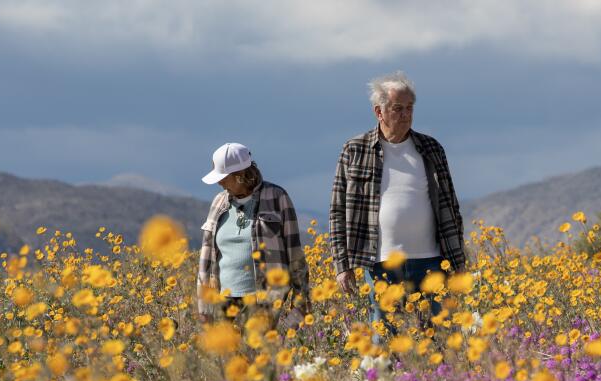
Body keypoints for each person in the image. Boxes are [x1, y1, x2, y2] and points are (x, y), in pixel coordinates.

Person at [329, 71, 466, 332]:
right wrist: (342, 266)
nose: (405, 114)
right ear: (379, 112)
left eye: (409, 108)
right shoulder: (354, 150)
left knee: (444, 339)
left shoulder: (431, 148)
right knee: (385, 338)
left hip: (432, 261)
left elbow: (451, 206)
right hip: (381, 263)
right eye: (397, 108)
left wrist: (458, 261)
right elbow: (337, 211)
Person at [196, 142, 309, 331]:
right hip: (222, 302)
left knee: (258, 357)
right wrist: (203, 308)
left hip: (264, 301)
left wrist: (299, 306)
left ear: (240, 175)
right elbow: (205, 260)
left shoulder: (277, 197)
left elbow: (295, 255)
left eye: (224, 177)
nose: (219, 183)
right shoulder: (218, 202)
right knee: (228, 359)